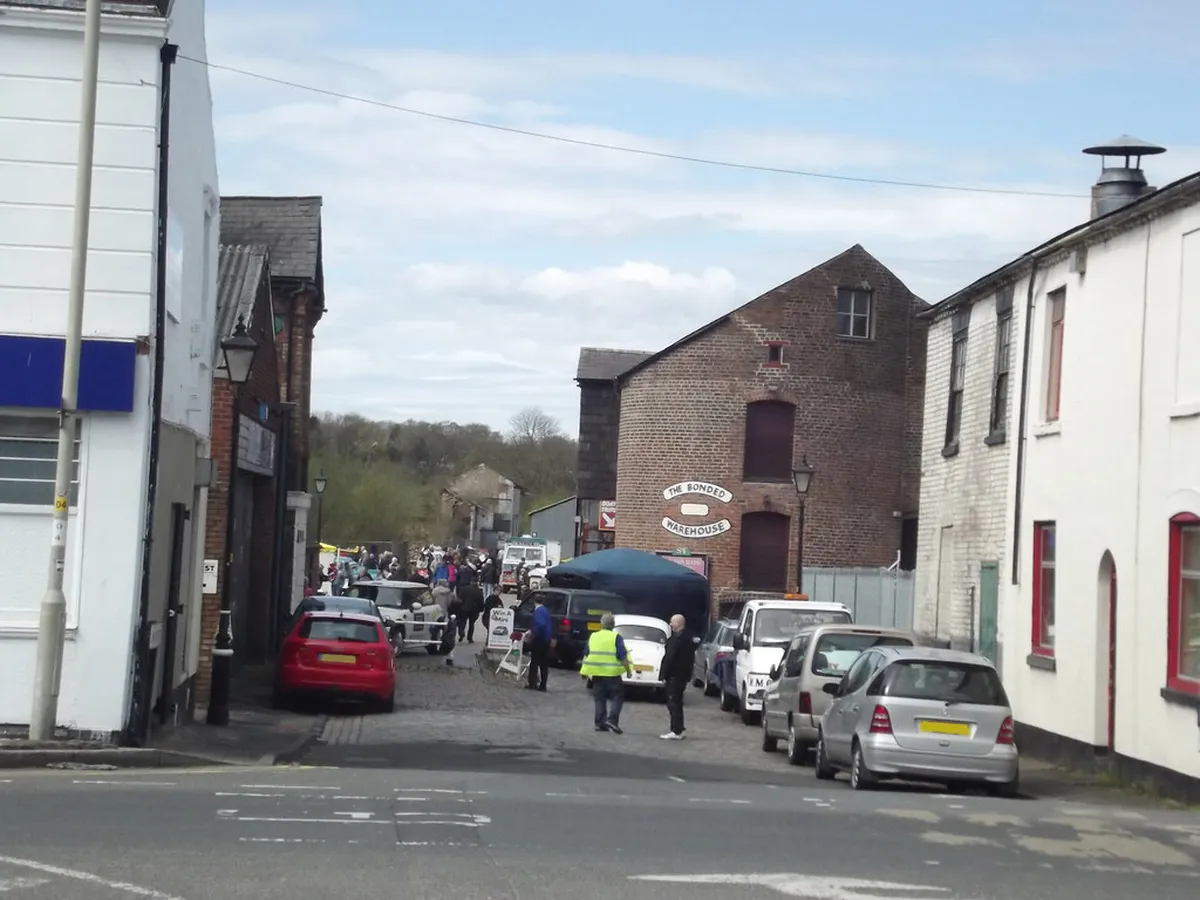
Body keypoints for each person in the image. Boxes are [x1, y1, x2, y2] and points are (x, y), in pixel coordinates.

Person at [579, 613, 632, 733]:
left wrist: (583, 671)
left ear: (601, 624)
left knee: (599, 698)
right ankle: (612, 720)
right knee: (617, 697)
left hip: (597, 673)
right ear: (613, 625)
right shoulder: (616, 637)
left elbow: (586, 655)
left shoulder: (593, 636)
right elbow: (622, 656)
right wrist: (628, 671)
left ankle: (599, 723)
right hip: (612, 674)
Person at [658, 614, 696, 740]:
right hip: (682, 676)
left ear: (678, 624)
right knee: (677, 702)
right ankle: (679, 728)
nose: (670, 624)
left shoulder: (676, 640)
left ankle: (676, 730)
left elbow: (670, 658)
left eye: (672, 622)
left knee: (673, 703)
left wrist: (663, 674)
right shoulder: (688, 639)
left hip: (674, 676)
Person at [526, 594, 553, 692]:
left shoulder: (538, 611)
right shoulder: (546, 611)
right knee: (544, 663)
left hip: (539, 639)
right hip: (546, 639)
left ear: (534, 602)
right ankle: (543, 685)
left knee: (535, 662)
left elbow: (541, 624)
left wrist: (532, 631)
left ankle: (532, 683)